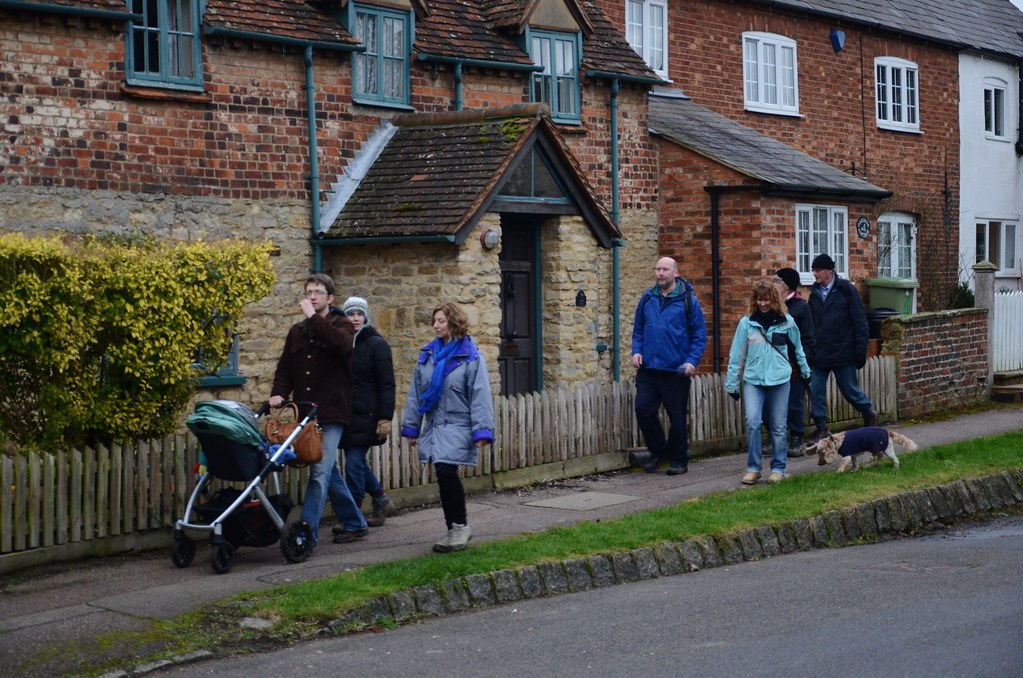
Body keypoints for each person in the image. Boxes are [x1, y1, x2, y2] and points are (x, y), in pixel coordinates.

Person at [269, 273, 369, 547]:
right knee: (328, 471)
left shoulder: (343, 325)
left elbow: (341, 345)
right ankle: (354, 522)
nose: (312, 296)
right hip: (306, 414)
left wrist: (314, 317)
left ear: (330, 298)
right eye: (309, 292)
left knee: (319, 472)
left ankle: (306, 535)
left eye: (317, 292)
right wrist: (278, 393)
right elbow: (285, 370)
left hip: (332, 412)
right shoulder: (297, 331)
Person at [401, 302, 494, 553]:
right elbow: (415, 394)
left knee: (445, 472)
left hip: (458, 423)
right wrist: (411, 427)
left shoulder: (469, 355)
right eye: (434, 321)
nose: (436, 325)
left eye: (441, 321)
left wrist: (482, 430)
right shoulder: (428, 355)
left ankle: (460, 528)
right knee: (443, 475)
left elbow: (479, 394)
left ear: (453, 322)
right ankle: (454, 529)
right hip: (435, 424)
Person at [725, 281, 811, 485]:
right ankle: (753, 468)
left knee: (779, 426)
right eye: (759, 299)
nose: (763, 304)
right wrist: (732, 384)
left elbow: (798, 349)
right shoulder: (747, 323)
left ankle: (778, 468)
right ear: (754, 301)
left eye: (766, 299)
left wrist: (806, 372)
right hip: (754, 379)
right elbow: (737, 355)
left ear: (773, 299)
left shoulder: (787, 321)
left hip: (780, 379)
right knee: (753, 422)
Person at [630, 256, 707, 476]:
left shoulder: (688, 300)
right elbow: (638, 329)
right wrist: (636, 351)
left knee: (676, 418)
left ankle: (679, 459)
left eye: (665, 269)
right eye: (658, 269)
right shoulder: (647, 298)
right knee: (644, 410)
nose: (661, 273)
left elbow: (699, 336)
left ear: (675, 273)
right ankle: (659, 450)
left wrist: (692, 361)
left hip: (675, 371)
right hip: (649, 369)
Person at [339, 296, 398, 528]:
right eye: (350, 314)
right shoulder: (341, 343)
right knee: (355, 462)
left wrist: (385, 418)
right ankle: (381, 499)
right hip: (346, 415)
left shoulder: (377, 344)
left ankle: (352, 513)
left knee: (353, 462)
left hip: (368, 415)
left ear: (365, 316)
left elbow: (387, 384)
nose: (355, 318)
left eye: (359, 314)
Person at [806, 253, 877, 445]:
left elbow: (860, 321)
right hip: (820, 353)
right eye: (814, 270)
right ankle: (821, 427)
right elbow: (810, 324)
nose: (815, 274)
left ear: (829, 270)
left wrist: (860, 350)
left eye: (818, 270)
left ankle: (869, 413)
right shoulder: (814, 294)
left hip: (843, 352)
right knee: (816, 389)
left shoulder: (846, 290)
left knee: (849, 390)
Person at [772, 268, 816, 457]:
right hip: (773, 363)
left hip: (793, 365)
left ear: (786, 285)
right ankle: (775, 439)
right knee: (771, 403)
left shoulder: (800, 307)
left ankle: (797, 438)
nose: (773, 283)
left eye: (777, 280)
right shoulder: (770, 307)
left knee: (794, 403)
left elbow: (808, 338)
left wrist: (802, 363)